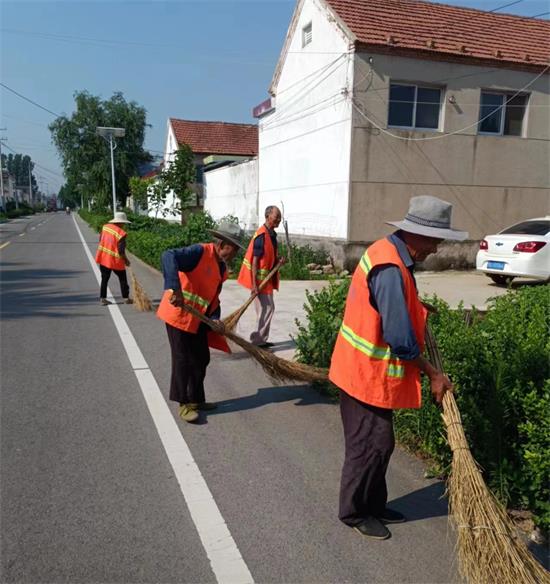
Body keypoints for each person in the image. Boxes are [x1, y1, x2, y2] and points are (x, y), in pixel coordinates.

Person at [329, 195, 468, 540]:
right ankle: (354, 512)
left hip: (369, 373)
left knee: (381, 443)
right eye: (435, 240)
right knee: (369, 444)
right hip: (364, 374)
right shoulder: (390, 268)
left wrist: (416, 307)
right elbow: (399, 338)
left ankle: (374, 504)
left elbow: (391, 309)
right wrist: (434, 374)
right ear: (416, 234)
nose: (436, 249)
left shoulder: (391, 255)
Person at [157, 220, 245, 423]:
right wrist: (174, 288)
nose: (235, 255)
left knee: (201, 357)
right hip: (178, 314)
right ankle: (183, 403)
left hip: (197, 318)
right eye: (234, 250)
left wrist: (214, 318)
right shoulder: (198, 252)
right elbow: (168, 255)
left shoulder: (222, 269)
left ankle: (196, 398)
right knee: (182, 359)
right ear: (222, 244)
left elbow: (214, 298)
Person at [237, 205, 283, 348]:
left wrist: (279, 261)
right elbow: (255, 261)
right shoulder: (261, 236)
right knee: (267, 308)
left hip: (266, 280)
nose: (279, 220)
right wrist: (254, 285)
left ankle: (260, 339)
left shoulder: (272, 235)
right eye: (276, 217)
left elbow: (269, 257)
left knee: (265, 309)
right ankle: (258, 340)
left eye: (280, 218)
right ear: (268, 216)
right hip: (259, 281)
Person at [95, 211, 133, 306]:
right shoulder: (121, 233)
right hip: (115, 261)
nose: (124, 225)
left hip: (103, 258)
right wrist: (126, 260)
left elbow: (101, 239)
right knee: (122, 278)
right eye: (123, 223)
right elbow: (121, 251)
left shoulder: (105, 227)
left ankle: (103, 299)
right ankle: (126, 298)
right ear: (120, 222)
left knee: (104, 279)